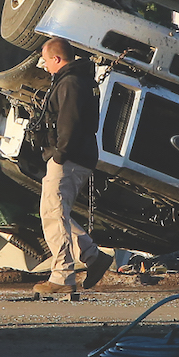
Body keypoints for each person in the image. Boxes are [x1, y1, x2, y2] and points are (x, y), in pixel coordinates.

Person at [35, 37, 113, 294]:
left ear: (57, 59)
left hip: (68, 159)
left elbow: (69, 123)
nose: (44, 66)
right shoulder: (77, 80)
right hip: (76, 157)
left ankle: (62, 276)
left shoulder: (70, 83)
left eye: (46, 61)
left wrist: (59, 155)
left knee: (52, 215)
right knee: (58, 213)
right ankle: (92, 256)